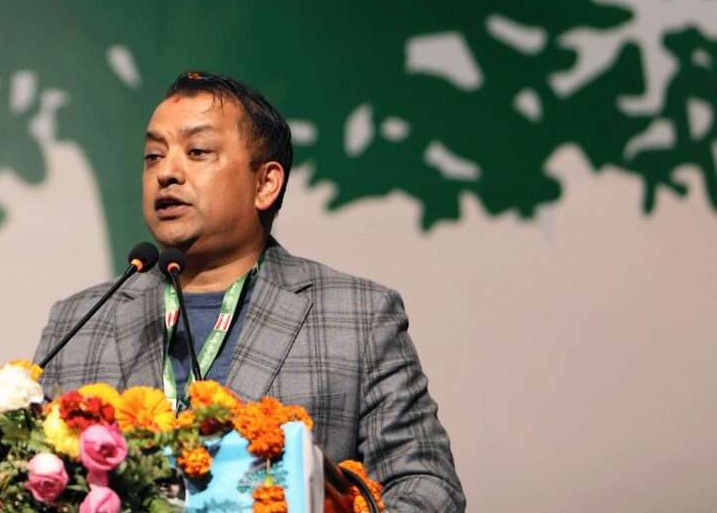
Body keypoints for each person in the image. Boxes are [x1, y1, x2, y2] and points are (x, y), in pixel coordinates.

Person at [34, 71, 465, 512]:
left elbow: (428, 489)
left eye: (197, 152)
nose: (166, 172)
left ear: (265, 184)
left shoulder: (358, 317)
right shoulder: (79, 322)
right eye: (153, 156)